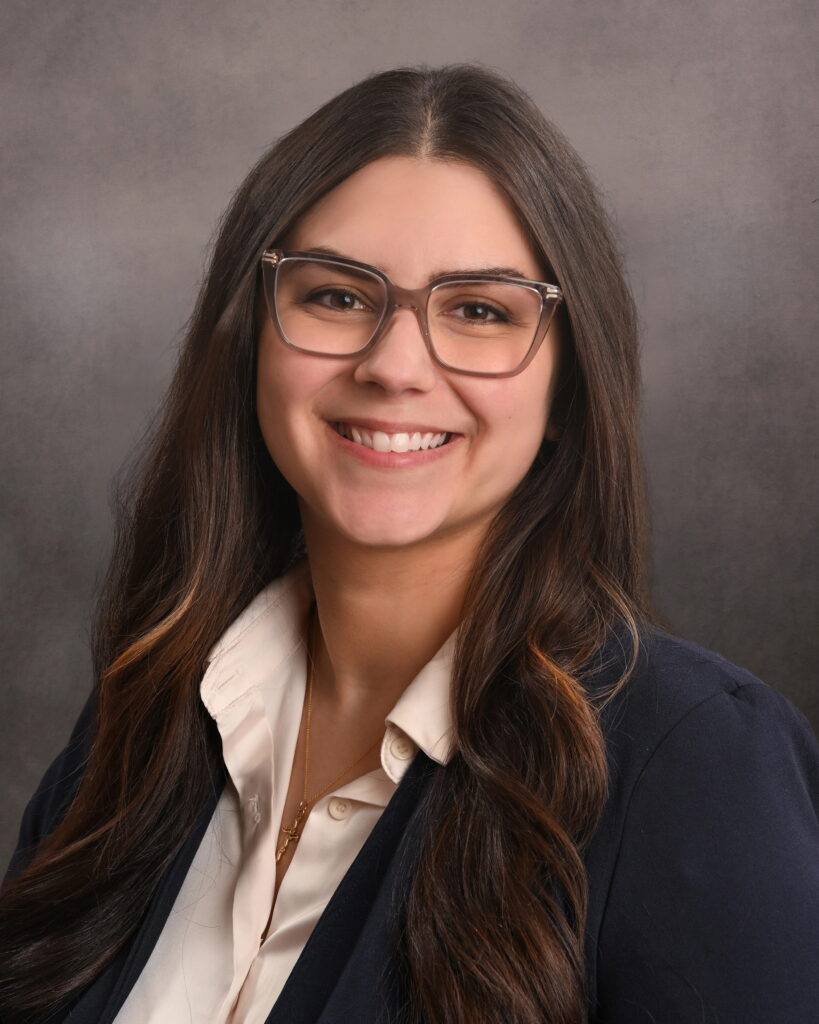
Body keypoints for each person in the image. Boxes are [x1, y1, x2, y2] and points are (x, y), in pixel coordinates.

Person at [0, 62, 817, 1024]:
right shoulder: (136, 723)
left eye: (478, 311)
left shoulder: (694, 763)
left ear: (566, 387)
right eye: (337, 296)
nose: (394, 366)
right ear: (249, 339)